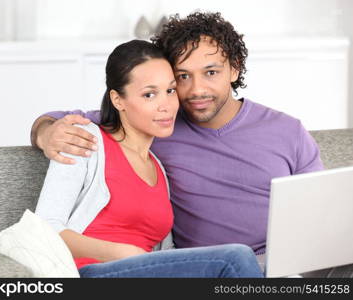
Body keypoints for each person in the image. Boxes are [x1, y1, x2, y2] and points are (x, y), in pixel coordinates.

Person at [31, 12, 352, 277]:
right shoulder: (155, 125)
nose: (196, 89)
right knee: (237, 259)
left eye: (210, 72)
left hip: (277, 268)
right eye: (182, 77)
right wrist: (45, 133)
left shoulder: (288, 132)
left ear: (234, 68)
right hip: (212, 268)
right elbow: (78, 119)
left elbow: (318, 221)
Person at [35, 39, 264, 278]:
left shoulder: (159, 168)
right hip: (90, 273)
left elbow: (166, 254)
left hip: (147, 275)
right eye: (149, 95)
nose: (165, 105)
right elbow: (45, 228)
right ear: (118, 100)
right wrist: (119, 253)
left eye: (170, 90)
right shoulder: (84, 140)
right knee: (235, 259)